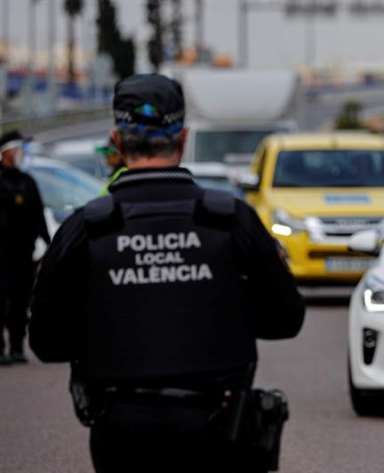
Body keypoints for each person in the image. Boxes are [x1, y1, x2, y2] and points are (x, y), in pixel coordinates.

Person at [29, 73, 306, 473]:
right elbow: (286, 320)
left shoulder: (85, 228)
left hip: (121, 428)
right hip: (219, 425)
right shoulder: (232, 221)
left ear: (117, 140)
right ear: (184, 137)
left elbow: (46, 343)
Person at [0, 130, 50, 365]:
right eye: (16, 150)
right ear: (4, 154)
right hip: (2, 255)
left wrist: (47, 242)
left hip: (22, 254)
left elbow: (38, 215)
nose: (19, 155)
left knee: (20, 301)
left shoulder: (26, 182)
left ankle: (18, 347)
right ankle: (1, 350)